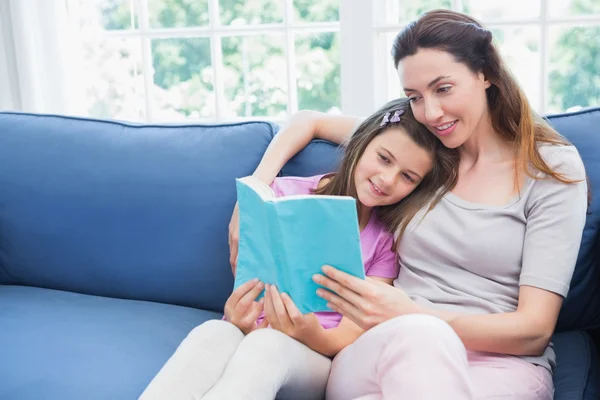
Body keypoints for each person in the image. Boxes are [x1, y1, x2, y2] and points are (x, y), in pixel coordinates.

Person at [227, 9, 589, 400]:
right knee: (419, 338)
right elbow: (309, 121)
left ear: (486, 73)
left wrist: (416, 315)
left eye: (443, 88)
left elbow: (534, 331)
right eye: (415, 97)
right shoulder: (422, 151)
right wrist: (253, 193)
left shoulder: (550, 168)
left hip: (498, 364)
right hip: (384, 346)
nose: (431, 112)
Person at [138, 98, 458, 400]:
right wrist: (237, 318)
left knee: (266, 346)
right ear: (360, 144)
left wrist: (306, 331)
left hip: (312, 354)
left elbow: (347, 334)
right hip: (249, 328)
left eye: (408, 177)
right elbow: (249, 279)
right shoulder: (281, 195)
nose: (387, 179)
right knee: (211, 333)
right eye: (384, 159)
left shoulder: (385, 241)